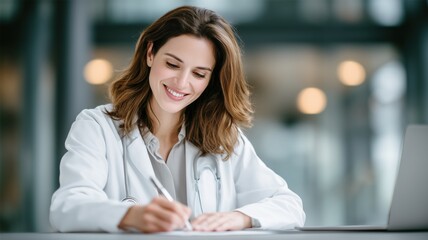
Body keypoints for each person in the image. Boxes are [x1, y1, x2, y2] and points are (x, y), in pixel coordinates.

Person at [49, 5, 305, 233]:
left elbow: (290, 205)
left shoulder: (224, 138)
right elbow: (67, 207)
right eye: (172, 65)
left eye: (199, 73)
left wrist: (240, 218)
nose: (182, 83)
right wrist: (130, 215)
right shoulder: (97, 127)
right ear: (150, 53)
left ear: (211, 80)